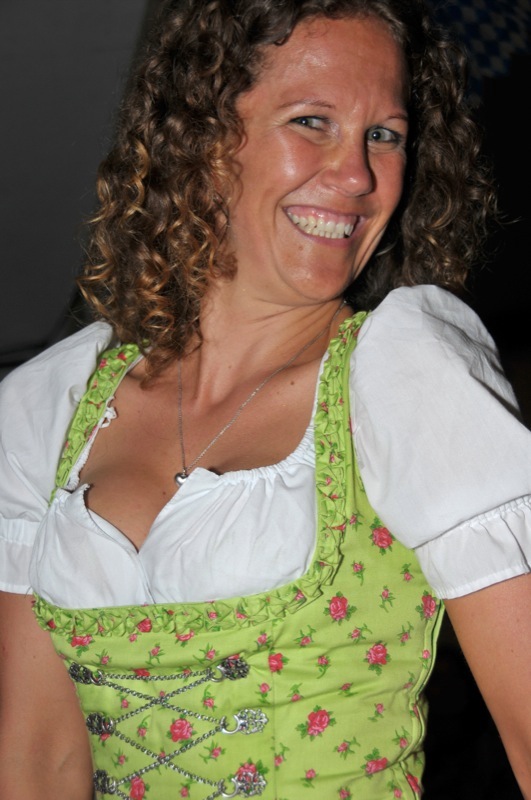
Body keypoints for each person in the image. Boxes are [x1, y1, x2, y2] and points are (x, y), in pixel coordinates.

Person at [0, 0, 530, 797]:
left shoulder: (406, 377)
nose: (356, 175)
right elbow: (38, 759)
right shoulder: (50, 404)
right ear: (203, 136)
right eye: (312, 122)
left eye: (383, 135)